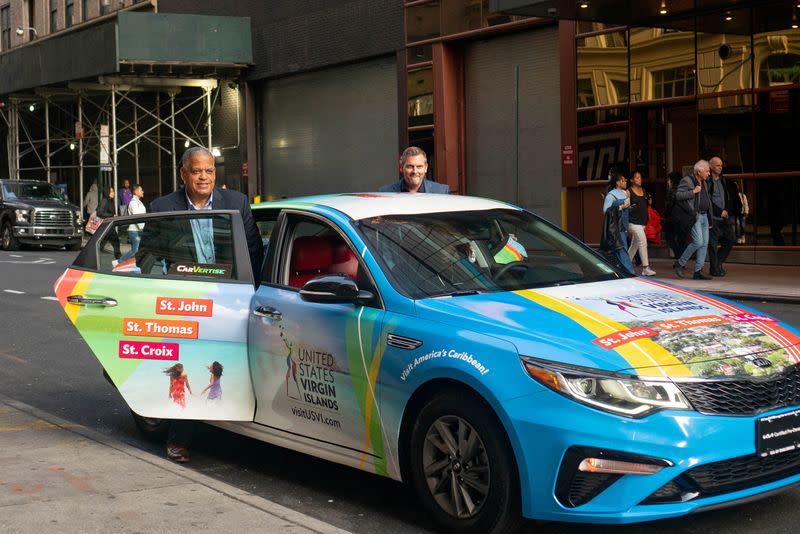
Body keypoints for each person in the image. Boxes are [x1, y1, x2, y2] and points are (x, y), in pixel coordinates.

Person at [146, 147, 263, 463]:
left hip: (230, 297)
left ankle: (237, 429)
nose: (203, 177)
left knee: (229, 365)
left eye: (209, 171)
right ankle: (179, 438)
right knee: (186, 366)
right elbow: (147, 258)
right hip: (186, 300)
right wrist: (164, 287)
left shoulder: (236, 203)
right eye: (196, 171)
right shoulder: (163, 207)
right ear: (183, 173)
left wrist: (252, 294)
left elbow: (253, 252)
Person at [673, 160, 713, 280]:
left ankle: (698, 271)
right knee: (698, 242)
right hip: (694, 216)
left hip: (705, 216)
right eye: (707, 171)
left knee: (704, 244)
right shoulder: (687, 180)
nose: (709, 173)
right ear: (699, 171)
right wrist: (693, 192)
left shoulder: (704, 182)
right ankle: (680, 263)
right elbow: (678, 196)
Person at [706, 156, 740, 277]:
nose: (720, 167)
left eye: (721, 165)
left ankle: (717, 264)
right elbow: (707, 200)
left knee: (730, 239)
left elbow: (727, 197)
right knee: (713, 245)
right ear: (711, 166)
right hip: (713, 218)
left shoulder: (723, 180)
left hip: (724, 217)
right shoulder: (707, 181)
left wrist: (726, 210)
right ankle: (714, 269)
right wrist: (719, 211)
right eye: (717, 165)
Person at [601, 169, 635, 274]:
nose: (625, 182)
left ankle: (619, 272)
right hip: (616, 226)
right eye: (623, 181)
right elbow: (605, 211)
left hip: (623, 225)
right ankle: (631, 273)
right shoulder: (611, 195)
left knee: (620, 249)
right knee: (622, 249)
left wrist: (629, 207)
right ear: (617, 182)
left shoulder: (625, 193)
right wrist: (621, 206)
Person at [378, 146, 450, 193]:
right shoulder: (386, 193)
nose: (415, 171)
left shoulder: (441, 192)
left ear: (426, 168)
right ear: (401, 168)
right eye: (410, 166)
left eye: (419, 166)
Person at [627, 171, 656, 276]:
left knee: (635, 245)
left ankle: (625, 263)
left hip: (642, 222)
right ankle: (645, 268)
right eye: (637, 178)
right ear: (631, 180)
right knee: (643, 242)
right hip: (633, 222)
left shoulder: (643, 190)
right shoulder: (628, 192)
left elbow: (647, 204)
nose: (639, 179)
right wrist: (630, 206)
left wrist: (649, 201)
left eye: (640, 177)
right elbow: (625, 206)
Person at [114, 184, 146, 267]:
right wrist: (143, 228)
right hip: (134, 231)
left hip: (138, 230)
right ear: (135, 191)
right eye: (141, 190)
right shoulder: (133, 203)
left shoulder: (139, 202)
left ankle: (135, 265)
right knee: (135, 250)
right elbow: (137, 217)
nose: (143, 191)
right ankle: (118, 262)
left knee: (138, 250)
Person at [663, 171, 688, 260]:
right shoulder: (685, 190)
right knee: (682, 240)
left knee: (669, 238)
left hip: (673, 219)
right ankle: (682, 260)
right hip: (684, 219)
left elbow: (668, 206)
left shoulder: (672, 191)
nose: (667, 181)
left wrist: (664, 216)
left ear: (672, 180)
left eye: (668, 180)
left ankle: (679, 257)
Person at [97, 186, 121, 259]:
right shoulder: (104, 200)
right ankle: (119, 259)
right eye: (111, 191)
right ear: (107, 192)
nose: (113, 193)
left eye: (113, 191)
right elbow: (99, 213)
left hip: (108, 225)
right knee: (115, 242)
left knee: (101, 243)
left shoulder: (110, 201)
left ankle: (91, 257)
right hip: (106, 225)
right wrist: (112, 215)